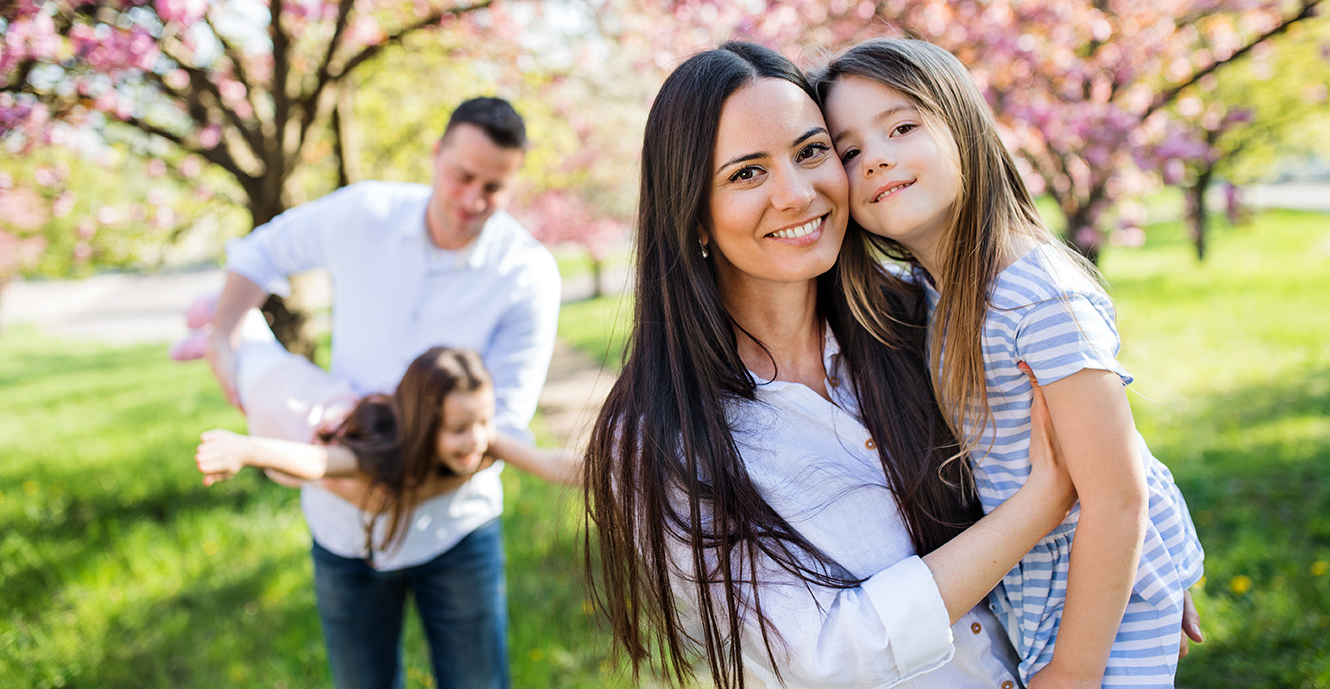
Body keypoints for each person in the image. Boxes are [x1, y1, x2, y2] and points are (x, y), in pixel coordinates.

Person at [585, 41, 1079, 689]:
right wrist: (1048, 500)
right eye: (746, 173)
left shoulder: (919, 317)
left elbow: (1091, 438)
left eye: (812, 151)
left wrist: (1124, 572)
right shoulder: (660, 439)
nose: (796, 193)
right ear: (693, 218)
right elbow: (824, 655)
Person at [814, 37, 1205, 687]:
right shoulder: (941, 293)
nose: (876, 157)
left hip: (1095, 596)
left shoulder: (1036, 292)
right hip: (1046, 583)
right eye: (849, 151)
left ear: (963, 127)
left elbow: (1116, 492)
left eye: (903, 126)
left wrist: (1079, 665)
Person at [202, 96, 562, 689]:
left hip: (456, 526)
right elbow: (260, 250)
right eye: (462, 176)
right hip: (341, 530)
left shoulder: (527, 273)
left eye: (494, 188)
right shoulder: (365, 213)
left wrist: (384, 491)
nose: (474, 200)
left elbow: (502, 429)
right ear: (436, 155)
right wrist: (220, 337)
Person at [194, 344, 581, 527]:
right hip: (285, 398)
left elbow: (548, 462)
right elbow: (318, 461)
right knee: (250, 356)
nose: (478, 439)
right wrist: (244, 449)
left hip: (321, 393)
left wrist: (620, 472)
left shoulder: (476, 435)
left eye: (484, 421)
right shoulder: (384, 447)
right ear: (424, 423)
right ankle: (210, 331)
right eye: (460, 428)